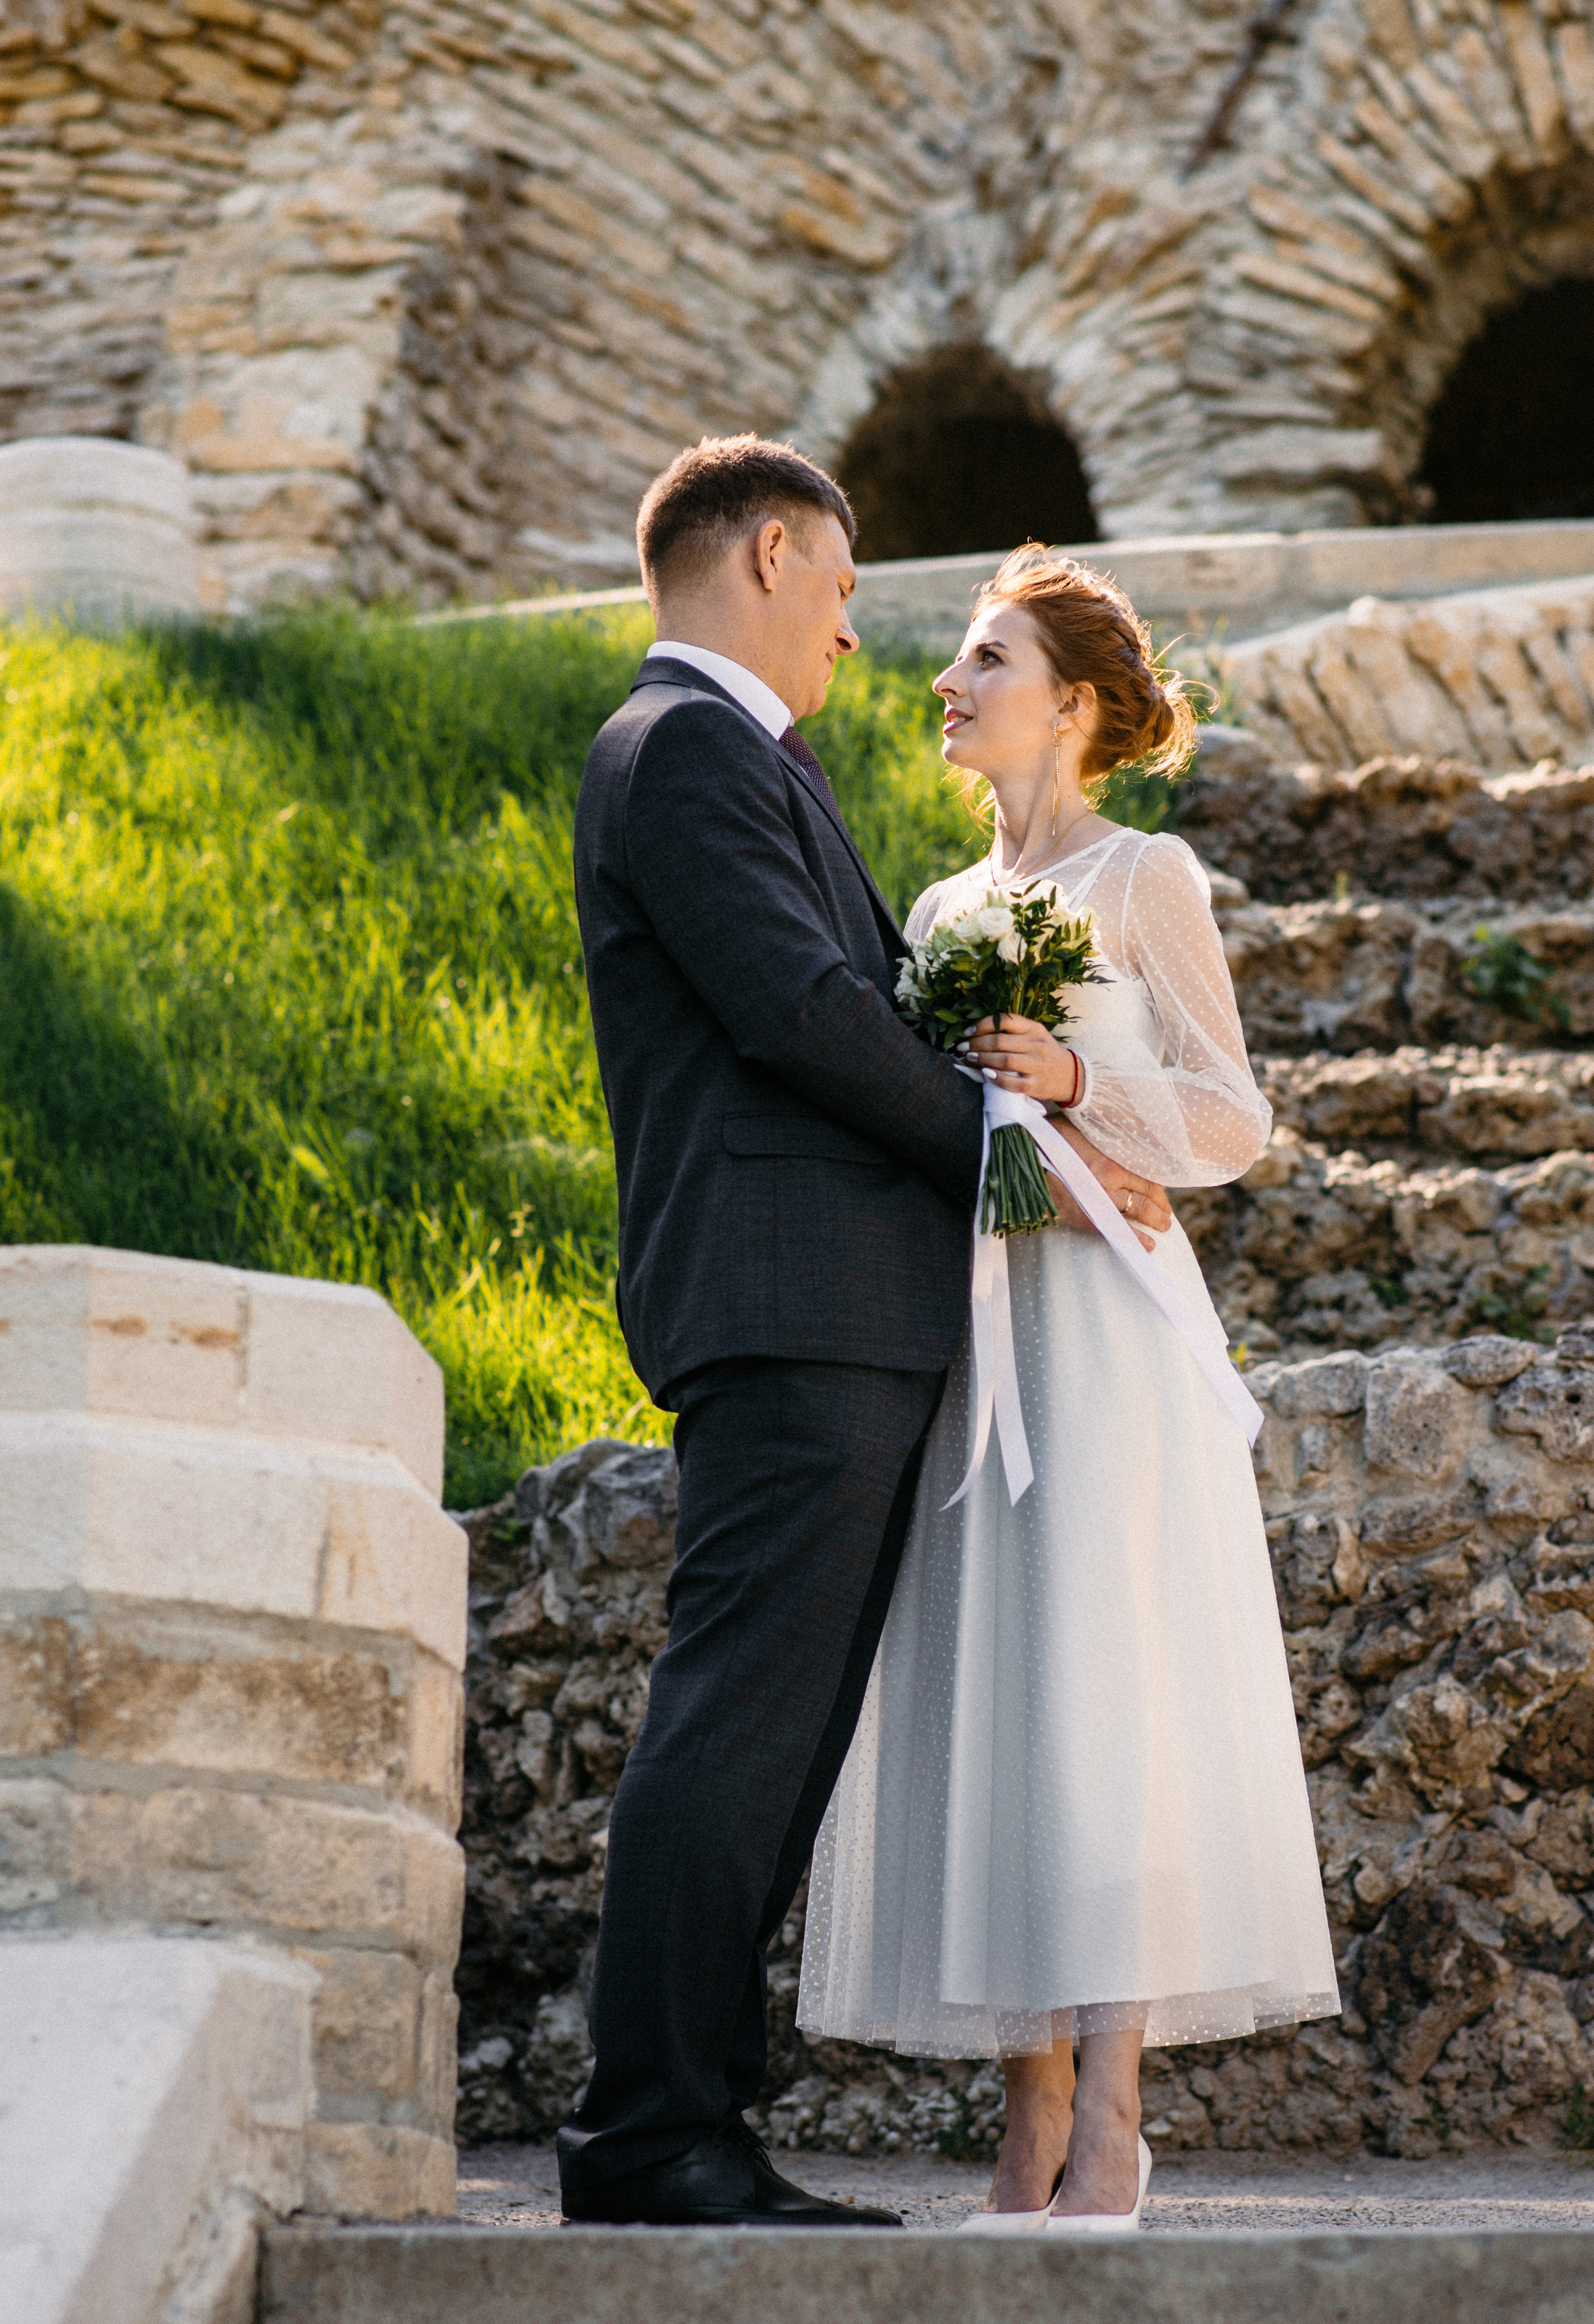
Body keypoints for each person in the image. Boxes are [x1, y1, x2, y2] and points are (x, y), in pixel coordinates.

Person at [560, 441, 1174, 2227]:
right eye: (837, 586)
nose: (851, 631)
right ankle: (650, 2133)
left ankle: (691, 2126)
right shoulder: (681, 749)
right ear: (767, 553)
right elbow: (799, 1011)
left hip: (831, 1310)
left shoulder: (739, 759)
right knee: (740, 1722)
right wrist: (1028, 1155)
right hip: (786, 1303)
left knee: (773, 1733)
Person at [797, 548, 1341, 2230]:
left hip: (1109, 1330)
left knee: (1103, 1704)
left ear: (1074, 703)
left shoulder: (1140, 875)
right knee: (1001, 1707)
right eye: (956, 660)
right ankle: (1019, 2110)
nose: (945, 683)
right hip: (979, 1332)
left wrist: (1080, 1080)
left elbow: (1231, 1119)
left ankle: (1109, 2112)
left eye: (982, 658)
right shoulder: (945, 918)